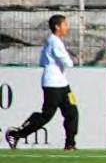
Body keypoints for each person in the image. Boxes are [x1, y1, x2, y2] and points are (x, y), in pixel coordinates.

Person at [5, 15, 79, 150]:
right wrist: (72, 60)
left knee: (72, 112)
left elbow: (43, 61)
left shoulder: (54, 41)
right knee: (47, 115)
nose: (67, 27)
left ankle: (70, 144)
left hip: (62, 84)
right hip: (52, 84)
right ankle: (16, 134)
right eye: (65, 24)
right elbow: (67, 61)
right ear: (57, 26)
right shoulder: (54, 41)